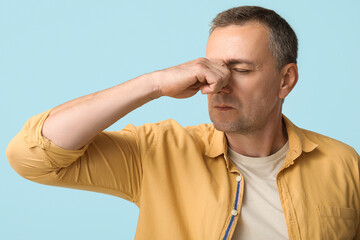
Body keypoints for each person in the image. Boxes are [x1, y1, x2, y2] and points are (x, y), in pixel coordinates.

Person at [6, 5, 360, 240]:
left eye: (240, 69)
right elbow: (31, 156)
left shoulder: (344, 163)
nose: (217, 84)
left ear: (286, 80)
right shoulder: (159, 152)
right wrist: (155, 83)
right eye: (212, 68)